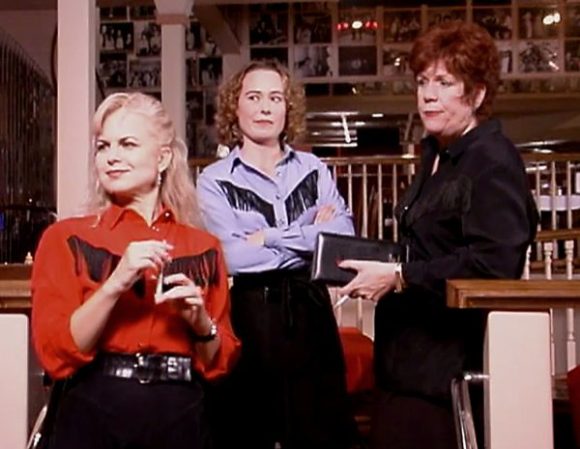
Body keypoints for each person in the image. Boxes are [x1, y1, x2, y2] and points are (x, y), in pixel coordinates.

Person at [338, 22, 538, 449]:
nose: (428, 94)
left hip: (444, 374)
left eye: (444, 83)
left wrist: (400, 276)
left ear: (477, 94)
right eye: (422, 81)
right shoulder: (435, 154)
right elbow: (428, 246)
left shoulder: (491, 160)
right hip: (405, 365)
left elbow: (495, 263)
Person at [31, 92, 240, 449]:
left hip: (181, 413)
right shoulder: (66, 238)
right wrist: (115, 284)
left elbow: (218, 364)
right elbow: (57, 353)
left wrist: (200, 323)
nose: (111, 156)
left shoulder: (203, 246)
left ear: (163, 158)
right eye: (103, 146)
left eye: (127, 144)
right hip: (93, 410)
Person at [196, 60, 359, 449]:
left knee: (321, 434)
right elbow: (231, 257)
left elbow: (341, 238)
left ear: (288, 108)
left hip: (311, 310)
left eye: (275, 98)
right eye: (254, 97)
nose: (265, 108)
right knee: (250, 433)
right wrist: (308, 237)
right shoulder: (214, 179)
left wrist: (267, 237)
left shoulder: (313, 168)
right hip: (250, 314)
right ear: (236, 107)